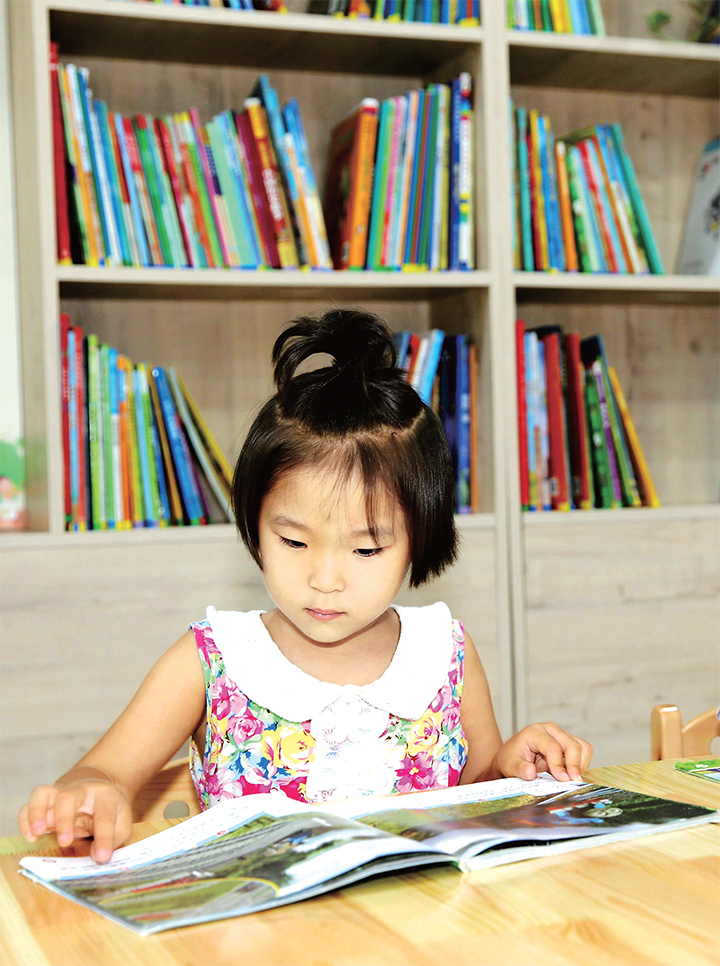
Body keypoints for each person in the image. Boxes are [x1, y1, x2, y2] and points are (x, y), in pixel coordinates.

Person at [19, 309, 592, 863]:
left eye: (365, 550)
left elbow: (478, 791)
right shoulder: (213, 658)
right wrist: (91, 792)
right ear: (253, 522)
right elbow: (103, 770)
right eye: (294, 542)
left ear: (420, 539)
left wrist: (511, 767)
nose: (324, 580)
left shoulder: (444, 650)